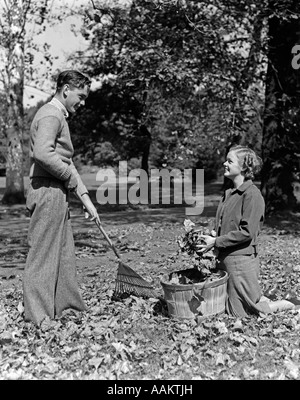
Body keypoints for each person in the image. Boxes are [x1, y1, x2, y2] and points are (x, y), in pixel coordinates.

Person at [23, 70, 100, 326]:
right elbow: (44, 154)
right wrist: (68, 176)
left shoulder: (58, 116)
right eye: (81, 95)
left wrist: (85, 197)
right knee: (43, 255)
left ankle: (68, 309)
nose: (84, 102)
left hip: (56, 190)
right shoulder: (50, 114)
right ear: (66, 89)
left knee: (64, 253)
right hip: (46, 190)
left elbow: (65, 161)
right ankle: (39, 318)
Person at [197, 145, 300, 317]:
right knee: (227, 309)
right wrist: (212, 237)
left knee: (242, 313)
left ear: (244, 167)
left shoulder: (252, 195)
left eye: (230, 161)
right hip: (224, 259)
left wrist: (216, 242)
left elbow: (247, 232)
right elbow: (224, 224)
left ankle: (285, 305)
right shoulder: (229, 193)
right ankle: (261, 299)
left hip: (240, 261)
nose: (224, 163)